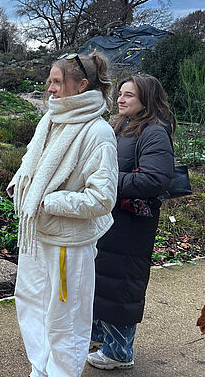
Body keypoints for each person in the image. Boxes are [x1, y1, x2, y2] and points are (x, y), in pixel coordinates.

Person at [7, 52, 118, 377]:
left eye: (57, 81)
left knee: (65, 320)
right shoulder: (50, 121)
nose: (50, 88)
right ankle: (39, 371)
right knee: (31, 305)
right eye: (50, 80)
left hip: (68, 246)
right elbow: (33, 165)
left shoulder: (98, 133)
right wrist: (20, 186)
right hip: (36, 236)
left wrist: (49, 202)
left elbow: (102, 199)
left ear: (81, 85)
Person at [88, 74, 175, 370]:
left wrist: (106, 181)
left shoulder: (154, 133)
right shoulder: (122, 125)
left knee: (122, 287)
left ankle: (120, 352)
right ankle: (102, 337)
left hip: (132, 225)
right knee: (104, 283)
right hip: (113, 220)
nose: (121, 99)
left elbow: (154, 179)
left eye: (129, 96)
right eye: (121, 94)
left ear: (146, 101)